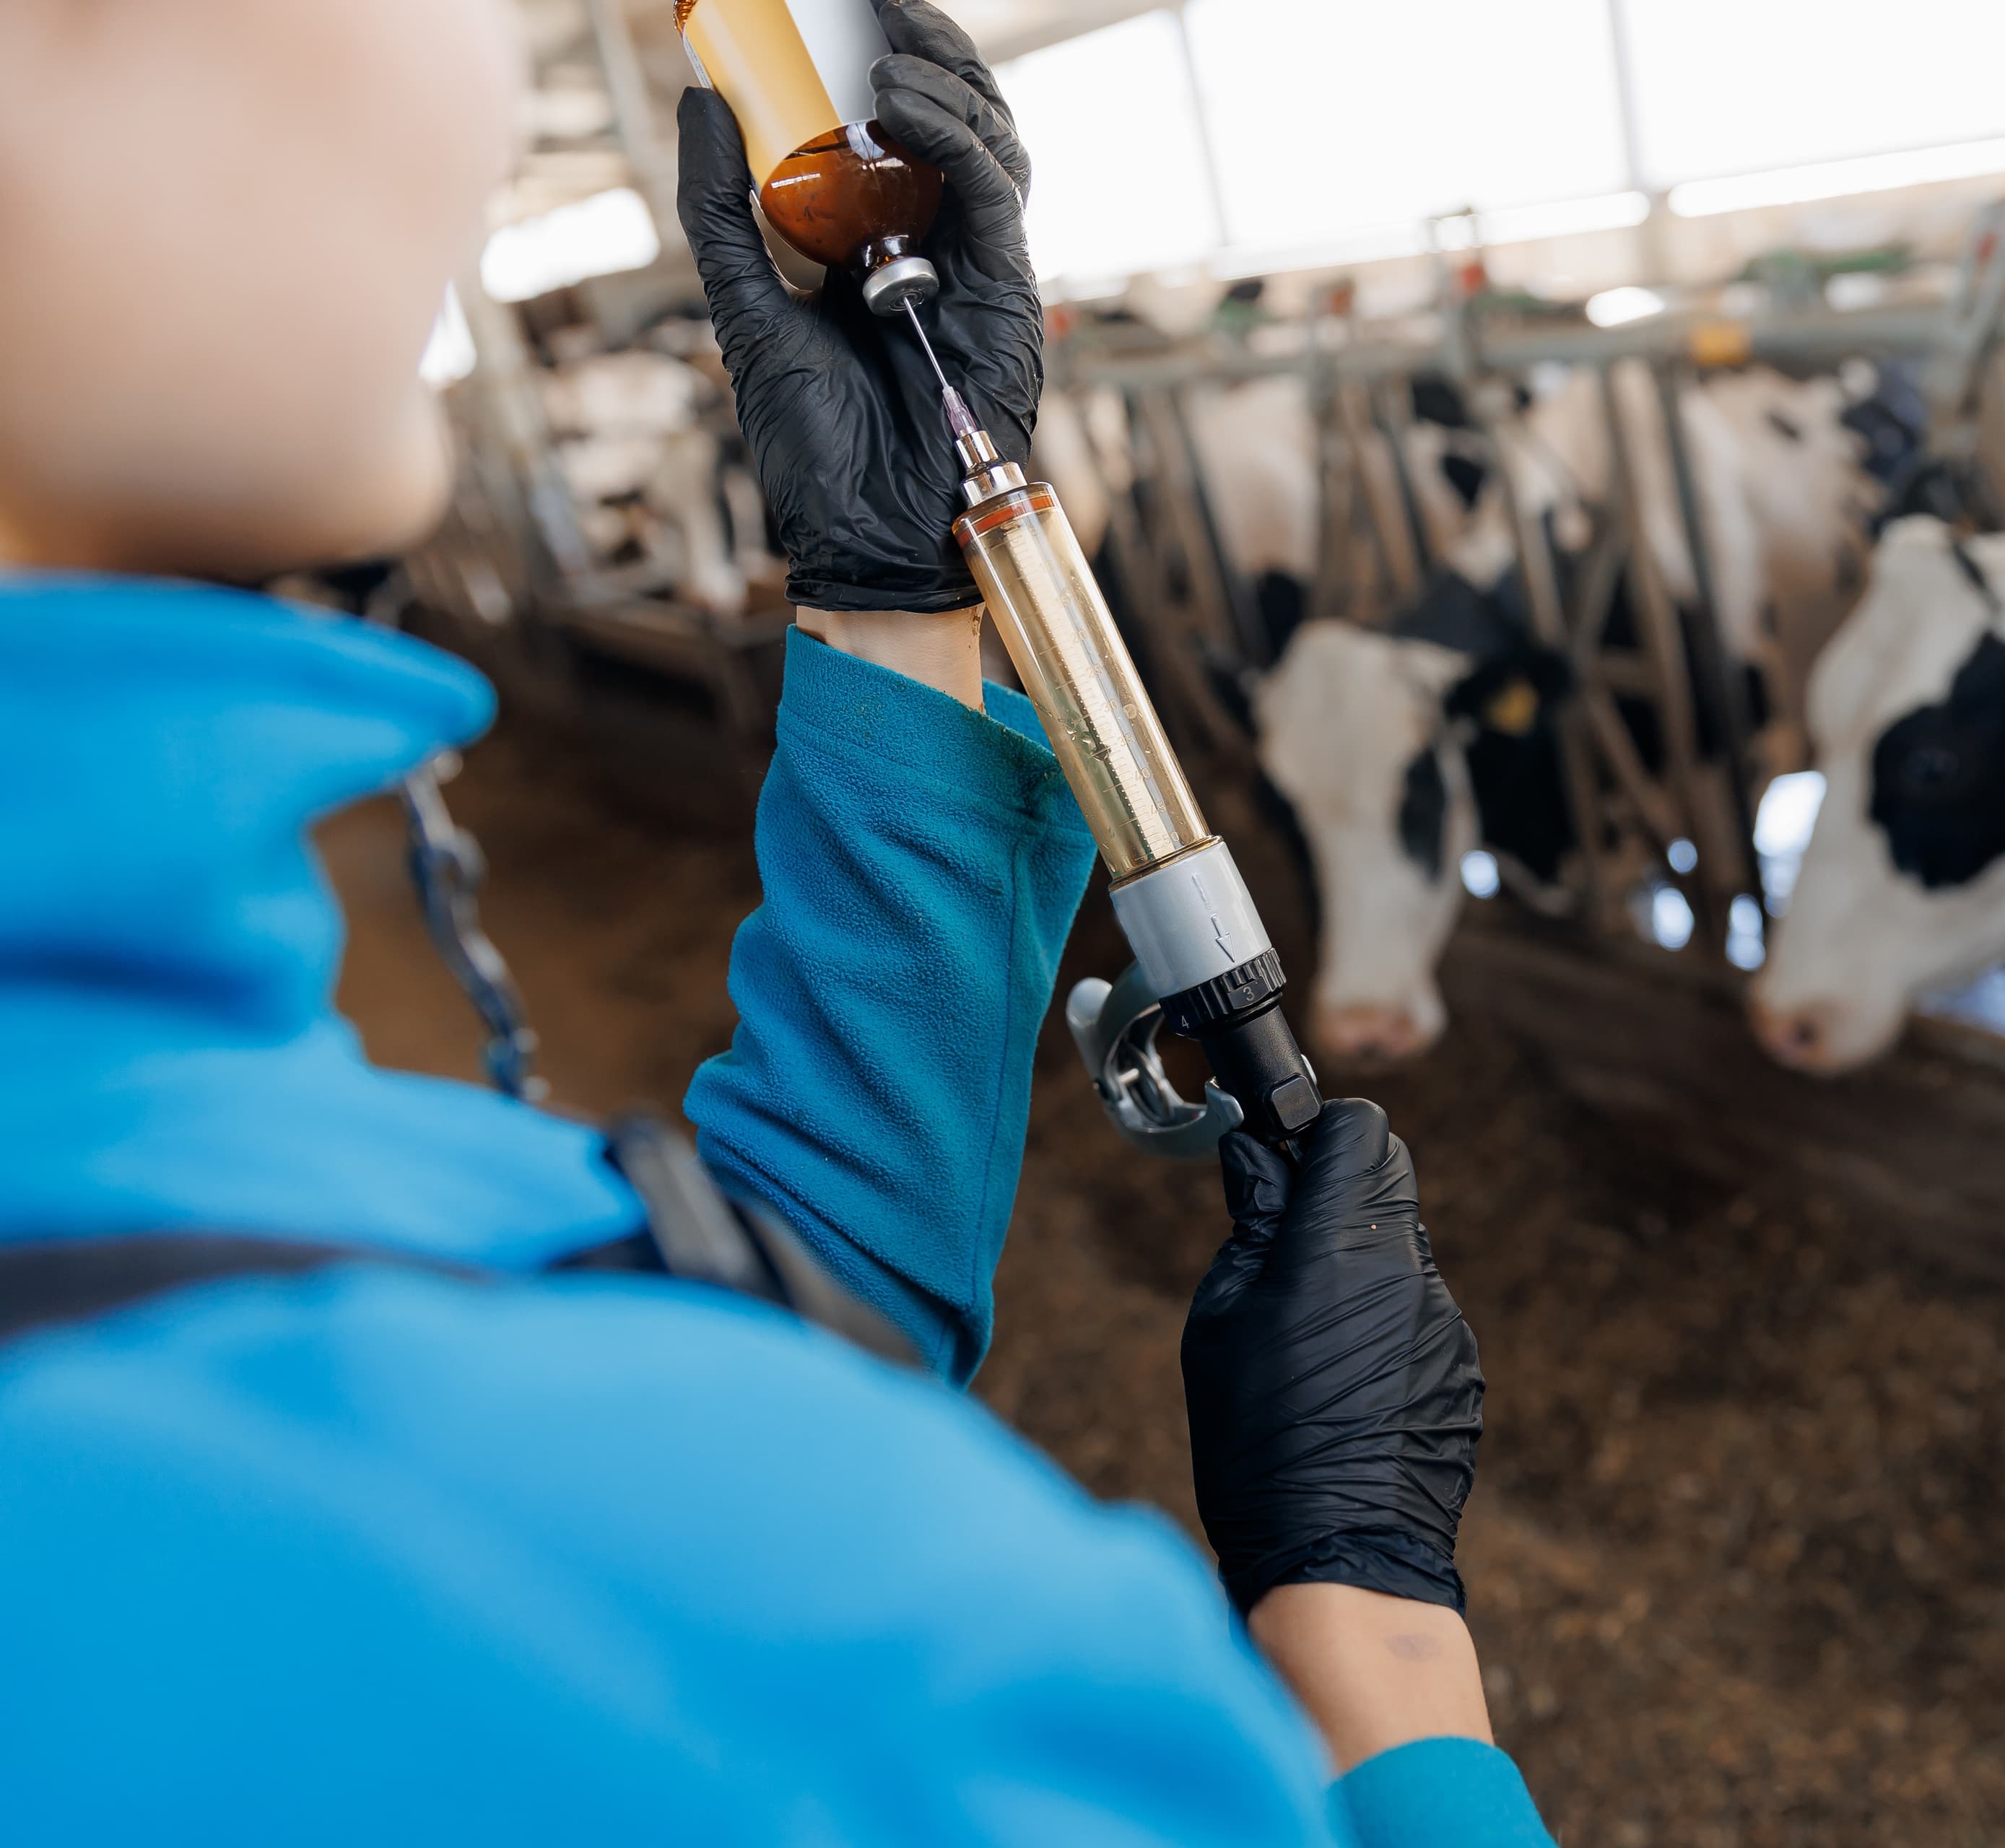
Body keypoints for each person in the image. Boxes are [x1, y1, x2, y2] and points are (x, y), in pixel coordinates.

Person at [0, 1, 1551, 1842]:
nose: (476, 64)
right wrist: (1371, 1626)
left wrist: (899, 598)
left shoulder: (113, 1106)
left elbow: (678, 1320)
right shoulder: (788, 1671)